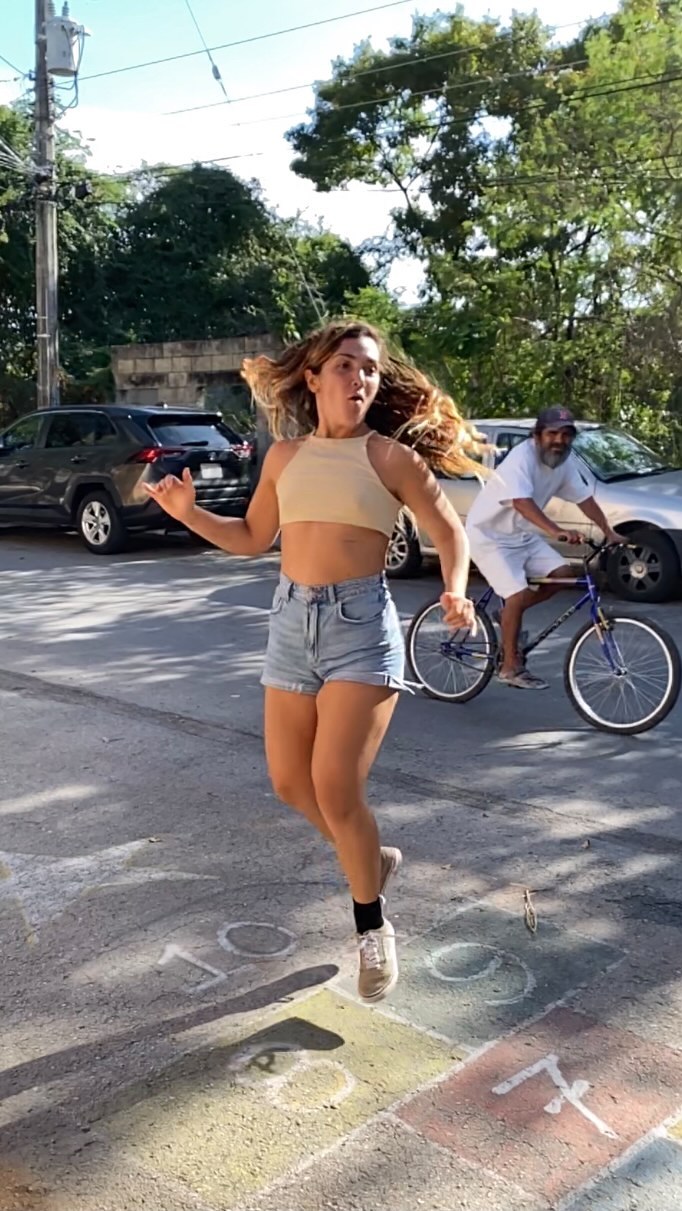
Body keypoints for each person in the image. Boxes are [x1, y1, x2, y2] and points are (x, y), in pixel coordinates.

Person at [144, 319, 481, 1003]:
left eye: (371, 369)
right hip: (291, 622)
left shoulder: (390, 458)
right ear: (315, 376)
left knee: (334, 786)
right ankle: (371, 859)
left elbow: (450, 532)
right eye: (347, 365)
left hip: (361, 627)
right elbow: (251, 537)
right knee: (289, 782)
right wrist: (188, 514)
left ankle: (372, 926)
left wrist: (454, 589)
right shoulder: (284, 456)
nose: (361, 378)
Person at [466, 405, 623, 690]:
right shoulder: (521, 458)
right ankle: (509, 667)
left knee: (563, 575)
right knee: (516, 595)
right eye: (552, 433)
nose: (559, 440)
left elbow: (584, 499)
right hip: (489, 536)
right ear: (537, 435)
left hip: (521, 535)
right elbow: (521, 502)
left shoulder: (564, 463)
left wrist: (608, 531)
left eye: (566, 435)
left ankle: (508, 615)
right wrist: (556, 531)